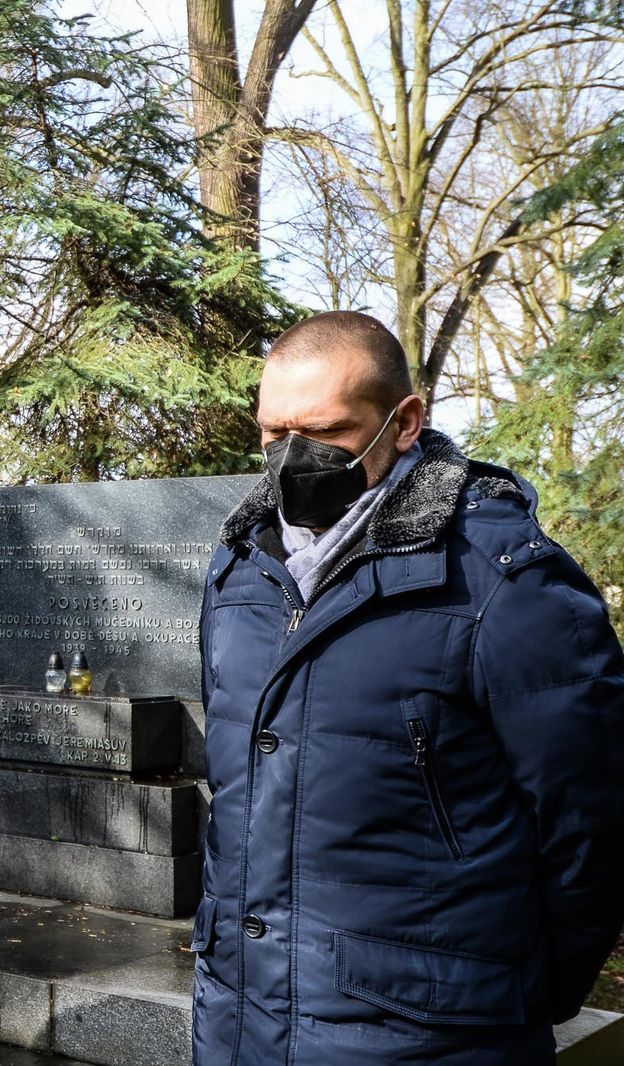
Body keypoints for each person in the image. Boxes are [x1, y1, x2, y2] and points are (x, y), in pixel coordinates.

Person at [192, 311, 624, 1065]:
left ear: (404, 422)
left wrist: (521, 991)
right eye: (273, 432)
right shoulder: (239, 569)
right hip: (241, 1020)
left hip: (427, 1033)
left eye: (325, 431)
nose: (293, 457)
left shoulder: (503, 582)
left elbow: (590, 822)